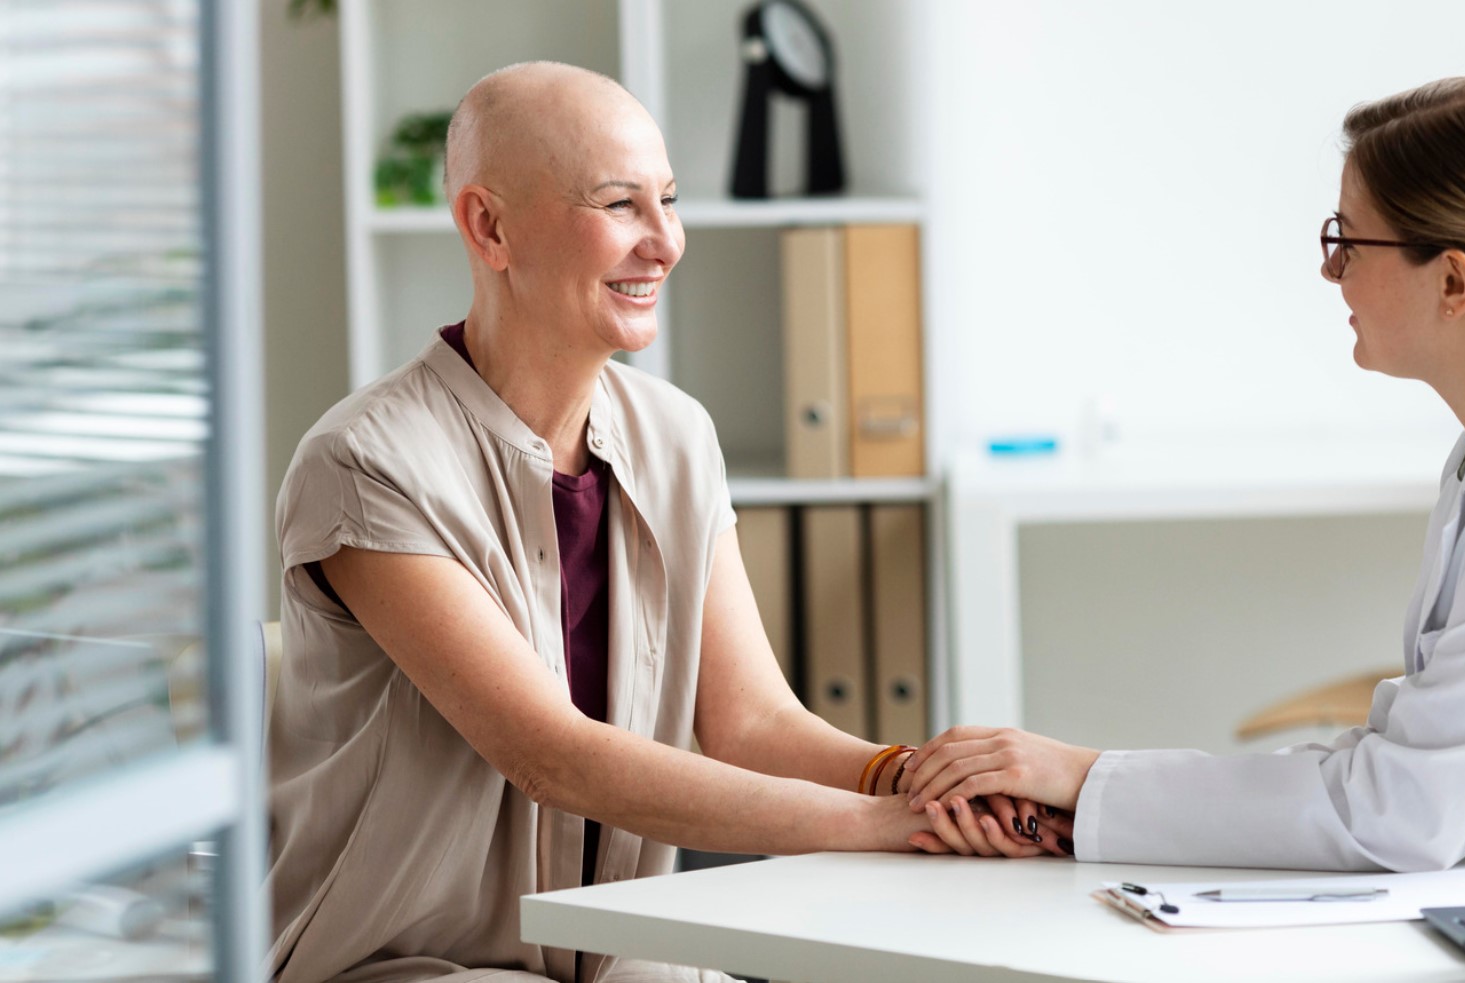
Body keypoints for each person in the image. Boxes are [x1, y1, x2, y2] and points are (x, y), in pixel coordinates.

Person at [898, 73, 1465, 871]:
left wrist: (1084, 776)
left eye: (1348, 239)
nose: (1329, 269)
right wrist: (1086, 790)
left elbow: (1398, 814)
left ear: (1454, 283)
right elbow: (1409, 776)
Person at [265, 62, 969, 983]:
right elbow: (551, 756)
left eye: (668, 201)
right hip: (407, 964)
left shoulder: (677, 436)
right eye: (620, 205)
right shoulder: (367, 464)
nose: (667, 241)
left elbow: (752, 721)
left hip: (620, 954)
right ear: (490, 226)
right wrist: (884, 828)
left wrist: (920, 781)